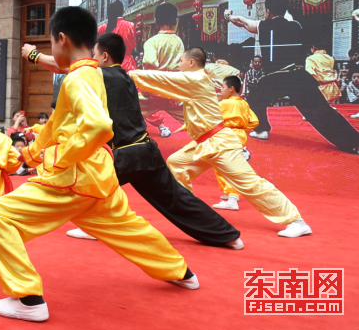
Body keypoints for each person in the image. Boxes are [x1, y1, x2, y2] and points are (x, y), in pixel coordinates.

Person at [0, 7, 197, 323]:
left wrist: (57, 157)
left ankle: (27, 299)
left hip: (73, 176)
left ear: (60, 38)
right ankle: (182, 272)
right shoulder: (92, 72)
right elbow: (58, 124)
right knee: (128, 228)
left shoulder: (77, 78)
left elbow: (98, 127)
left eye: (51, 43)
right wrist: (30, 154)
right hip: (99, 176)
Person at [23, 32, 243, 248]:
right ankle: (227, 234)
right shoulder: (127, 77)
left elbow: (64, 65)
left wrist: (33, 55)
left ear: (105, 57)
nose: (91, 60)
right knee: (176, 199)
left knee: (82, 183)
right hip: (147, 151)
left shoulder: (99, 76)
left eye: (95, 55)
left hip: (125, 155)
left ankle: (94, 225)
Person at [130, 47, 312, 238]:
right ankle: (190, 211)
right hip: (204, 142)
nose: (178, 65)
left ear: (191, 63)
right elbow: (167, 86)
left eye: (181, 61)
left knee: (250, 184)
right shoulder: (194, 82)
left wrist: (130, 74)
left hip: (219, 142)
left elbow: (163, 80)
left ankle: (296, 220)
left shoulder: (196, 79)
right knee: (177, 163)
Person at [225, 0, 359, 154]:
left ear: (268, 12)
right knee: (321, 111)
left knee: (254, 96)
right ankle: (353, 142)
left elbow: (242, 21)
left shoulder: (263, 25)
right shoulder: (296, 25)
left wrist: (228, 16)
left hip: (275, 76)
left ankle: (262, 130)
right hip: (299, 75)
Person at [209, 75, 258, 211]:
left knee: (227, 166)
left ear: (231, 88)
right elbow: (254, 121)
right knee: (222, 164)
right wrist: (241, 129)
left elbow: (210, 118)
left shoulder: (224, 104)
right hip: (239, 135)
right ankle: (230, 193)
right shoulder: (244, 103)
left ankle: (232, 197)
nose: (221, 90)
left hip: (227, 135)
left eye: (223, 87)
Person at [139, 2, 186, 138]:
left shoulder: (151, 42)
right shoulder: (179, 41)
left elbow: (150, 67)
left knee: (125, 112)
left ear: (156, 22)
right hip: (174, 91)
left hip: (155, 90)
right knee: (199, 123)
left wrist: (145, 90)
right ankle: (235, 148)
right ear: (175, 21)